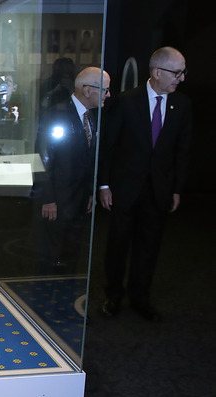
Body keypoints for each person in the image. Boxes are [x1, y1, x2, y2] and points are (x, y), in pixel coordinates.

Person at [98, 46, 191, 322]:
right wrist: (104, 185)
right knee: (117, 245)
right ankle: (113, 295)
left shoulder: (183, 105)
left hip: (159, 191)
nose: (181, 78)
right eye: (177, 72)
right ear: (157, 72)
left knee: (148, 246)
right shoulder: (126, 102)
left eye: (183, 72)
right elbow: (109, 147)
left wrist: (176, 189)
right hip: (124, 190)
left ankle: (140, 298)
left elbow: (183, 151)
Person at [33, 66, 110, 273]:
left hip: (80, 200)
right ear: (87, 90)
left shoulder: (92, 117)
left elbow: (91, 157)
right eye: (105, 89)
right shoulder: (56, 114)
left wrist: (91, 192)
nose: (108, 95)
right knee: (50, 254)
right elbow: (41, 158)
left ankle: (63, 293)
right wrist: (48, 198)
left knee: (72, 253)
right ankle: (44, 296)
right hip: (57, 200)